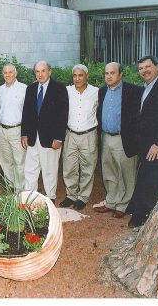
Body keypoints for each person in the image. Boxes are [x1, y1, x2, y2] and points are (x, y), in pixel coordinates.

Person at [94, 62, 142, 219]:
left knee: (126, 173)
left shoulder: (132, 90)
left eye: (112, 73)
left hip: (123, 138)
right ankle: (111, 202)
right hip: (106, 137)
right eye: (107, 73)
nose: (109, 76)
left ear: (120, 74)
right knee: (109, 171)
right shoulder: (102, 91)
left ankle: (124, 205)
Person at [127, 56, 158, 228]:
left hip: (157, 145)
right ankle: (145, 211)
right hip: (145, 144)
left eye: (148, 67)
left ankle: (142, 215)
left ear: (157, 67)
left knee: (150, 178)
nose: (144, 71)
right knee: (147, 176)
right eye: (141, 68)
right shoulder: (146, 87)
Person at [21, 61, 69, 204]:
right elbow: (26, 113)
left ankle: (50, 198)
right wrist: (24, 133)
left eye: (43, 71)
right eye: (37, 71)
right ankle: (30, 197)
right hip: (32, 137)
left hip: (50, 138)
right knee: (30, 169)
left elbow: (63, 115)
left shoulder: (59, 89)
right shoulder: (30, 88)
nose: (40, 74)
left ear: (50, 71)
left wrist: (59, 137)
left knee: (49, 169)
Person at [60, 64, 99, 210]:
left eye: (80, 75)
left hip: (88, 135)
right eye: (75, 75)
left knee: (87, 167)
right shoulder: (67, 91)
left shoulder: (96, 92)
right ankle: (71, 195)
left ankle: (83, 197)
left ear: (87, 76)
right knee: (69, 167)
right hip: (70, 134)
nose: (77, 78)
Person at [0, 63, 27, 190]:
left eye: (10, 72)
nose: (7, 75)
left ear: (16, 73)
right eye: (5, 73)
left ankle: (21, 190)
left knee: (20, 162)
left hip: (17, 130)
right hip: (2, 130)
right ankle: (11, 187)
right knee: (5, 162)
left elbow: (28, 113)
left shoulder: (24, 89)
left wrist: (25, 133)